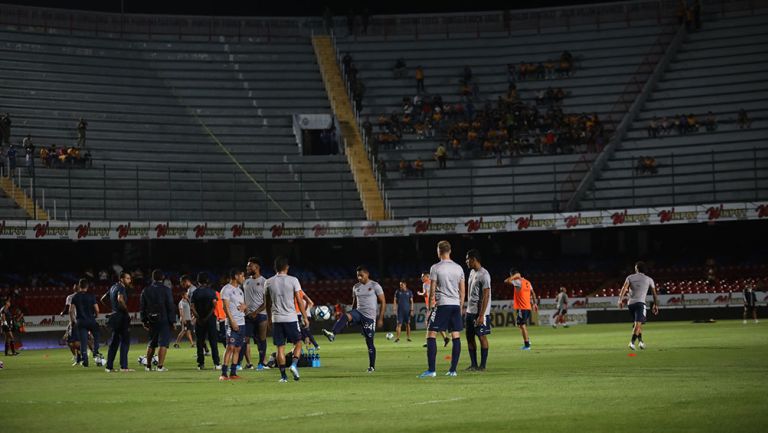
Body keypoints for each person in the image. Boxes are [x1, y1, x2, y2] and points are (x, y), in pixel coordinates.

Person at [322, 266, 385, 373]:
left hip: (369, 317)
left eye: (361, 275)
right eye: (358, 276)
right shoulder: (356, 287)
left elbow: (383, 301)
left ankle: (372, 366)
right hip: (358, 312)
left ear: (367, 274)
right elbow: (354, 302)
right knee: (345, 316)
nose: (359, 278)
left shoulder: (375, 285)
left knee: (369, 342)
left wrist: (380, 318)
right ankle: (333, 333)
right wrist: (350, 317)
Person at [419, 240, 465, 378]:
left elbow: (432, 289)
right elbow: (462, 291)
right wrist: (460, 306)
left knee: (431, 333)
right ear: (450, 251)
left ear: (438, 252)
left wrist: (429, 309)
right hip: (455, 304)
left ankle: (432, 370)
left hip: (442, 304)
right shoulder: (459, 268)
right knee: (455, 335)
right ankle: (453, 370)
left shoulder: (436, 268)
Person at [265, 256, 308, 382]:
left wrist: (269, 319)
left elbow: (267, 304)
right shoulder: (293, 280)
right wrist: (305, 317)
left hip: (276, 319)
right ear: (287, 267)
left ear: (275, 268)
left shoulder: (268, 282)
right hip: (291, 318)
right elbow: (299, 300)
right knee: (298, 343)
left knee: (280, 348)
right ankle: (294, 365)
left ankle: (283, 377)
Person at [617, 261, 659, 350]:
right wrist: (655, 305)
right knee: (637, 324)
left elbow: (624, 288)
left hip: (631, 304)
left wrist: (620, 300)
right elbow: (654, 294)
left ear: (636, 268)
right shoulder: (649, 279)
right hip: (640, 304)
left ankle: (641, 342)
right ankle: (632, 343)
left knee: (638, 324)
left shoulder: (630, 277)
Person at [140, 269, 175, 372]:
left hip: (151, 320)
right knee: (163, 343)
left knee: (151, 343)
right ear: (162, 278)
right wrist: (172, 321)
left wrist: (143, 320)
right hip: (163, 319)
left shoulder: (146, 290)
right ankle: (160, 366)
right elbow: (170, 306)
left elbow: (142, 307)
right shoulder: (166, 290)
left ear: (153, 278)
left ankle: (148, 366)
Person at [238, 257, 269, 370]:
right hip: (247, 316)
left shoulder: (265, 282)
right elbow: (242, 299)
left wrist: (255, 312)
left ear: (257, 267)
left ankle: (261, 364)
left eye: (250, 266)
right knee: (244, 339)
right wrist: (246, 310)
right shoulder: (245, 282)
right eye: (247, 266)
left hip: (261, 315)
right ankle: (238, 364)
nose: (247, 268)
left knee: (262, 339)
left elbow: (266, 303)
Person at [464, 249, 491, 371]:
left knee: (481, 337)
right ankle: (473, 365)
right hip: (470, 311)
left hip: (479, 313)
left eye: (467, 259)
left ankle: (483, 365)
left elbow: (486, 296)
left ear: (473, 259)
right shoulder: (471, 273)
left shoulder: (484, 274)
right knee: (469, 337)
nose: (466, 261)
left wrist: (481, 315)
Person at [102, 271, 133, 372]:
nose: (130, 280)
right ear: (121, 279)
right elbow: (120, 299)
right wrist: (126, 311)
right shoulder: (121, 287)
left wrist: (112, 309)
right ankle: (124, 367)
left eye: (130, 278)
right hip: (122, 317)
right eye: (127, 278)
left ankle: (109, 367)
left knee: (114, 342)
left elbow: (103, 299)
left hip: (115, 317)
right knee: (125, 342)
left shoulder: (113, 287)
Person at [219, 269, 246, 380]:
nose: (244, 278)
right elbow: (225, 307)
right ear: (236, 276)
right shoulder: (226, 289)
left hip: (242, 322)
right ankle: (224, 374)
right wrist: (232, 321)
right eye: (242, 276)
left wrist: (245, 307)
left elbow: (242, 305)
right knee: (230, 347)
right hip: (232, 323)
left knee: (238, 348)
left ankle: (233, 373)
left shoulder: (240, 290)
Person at [190, 272, 221, 370]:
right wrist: (207, 317)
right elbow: (214, 305)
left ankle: (201, 364)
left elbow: (192, 307)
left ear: (198, 281)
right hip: (210, 319)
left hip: (199, 320)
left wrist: (198, 317)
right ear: (207, 281)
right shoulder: (212, 292)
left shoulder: (195, 292)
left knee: (200, 342)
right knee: (213, 342)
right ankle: (216, 363)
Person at [504, 267, 538, 350]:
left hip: (522, 308)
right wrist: (535, 304)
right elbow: (533, 293)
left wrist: (515, 276)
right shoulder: (527, 282)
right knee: (519, 324)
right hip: (528, 307)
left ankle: (527, 345)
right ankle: (528, 340)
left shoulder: (518, 281)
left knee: (522, 325)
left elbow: (506, 281)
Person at [70, 279, 100, 367]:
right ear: (87, 286)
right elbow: (97, 309)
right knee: (97, 335)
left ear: (79, 286)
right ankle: (95, 352)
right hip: (91, 320)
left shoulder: (75, 297)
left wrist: (73, 321)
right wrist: (96, 316)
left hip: (80, 321)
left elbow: (70, 311)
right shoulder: (91, 296)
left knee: (83, 341)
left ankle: (85, 360)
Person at [60, 284, 81, 365]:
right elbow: (67, 308)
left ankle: (81, 357)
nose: (76, 288)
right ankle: (77, 356)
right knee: (70, 342)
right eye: (75, 287)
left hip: (80, 321)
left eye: (77, 287)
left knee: (79, 342)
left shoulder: (83, 296)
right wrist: (62, 312)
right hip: (73, 321)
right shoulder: (70, 297)